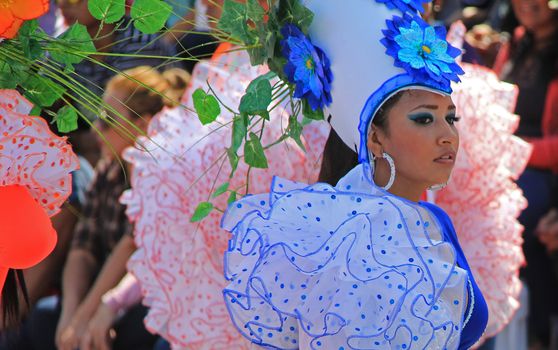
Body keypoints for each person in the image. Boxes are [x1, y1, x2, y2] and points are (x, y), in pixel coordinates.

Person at [215, 0, 489, 348]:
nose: (447, 134)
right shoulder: (352, 239)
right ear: (375, 137)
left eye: (451, 118)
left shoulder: (434, 220)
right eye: (423, 118)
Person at [1, 66, 189, 350]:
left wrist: (86, 315)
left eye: (108, 121)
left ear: (145, 124)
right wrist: (71, 315)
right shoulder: (107, 172)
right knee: (44, 318)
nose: (97, 130)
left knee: (138, 327)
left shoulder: (162, 177)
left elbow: (129, 247)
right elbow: (82, 250)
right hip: (104, 296)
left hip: (143, 295)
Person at [492, 0, 558, 347]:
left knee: (513, 212)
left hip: (540, 171)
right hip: (505, 159)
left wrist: (517, 149)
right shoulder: (516, 42)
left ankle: (537, 331)